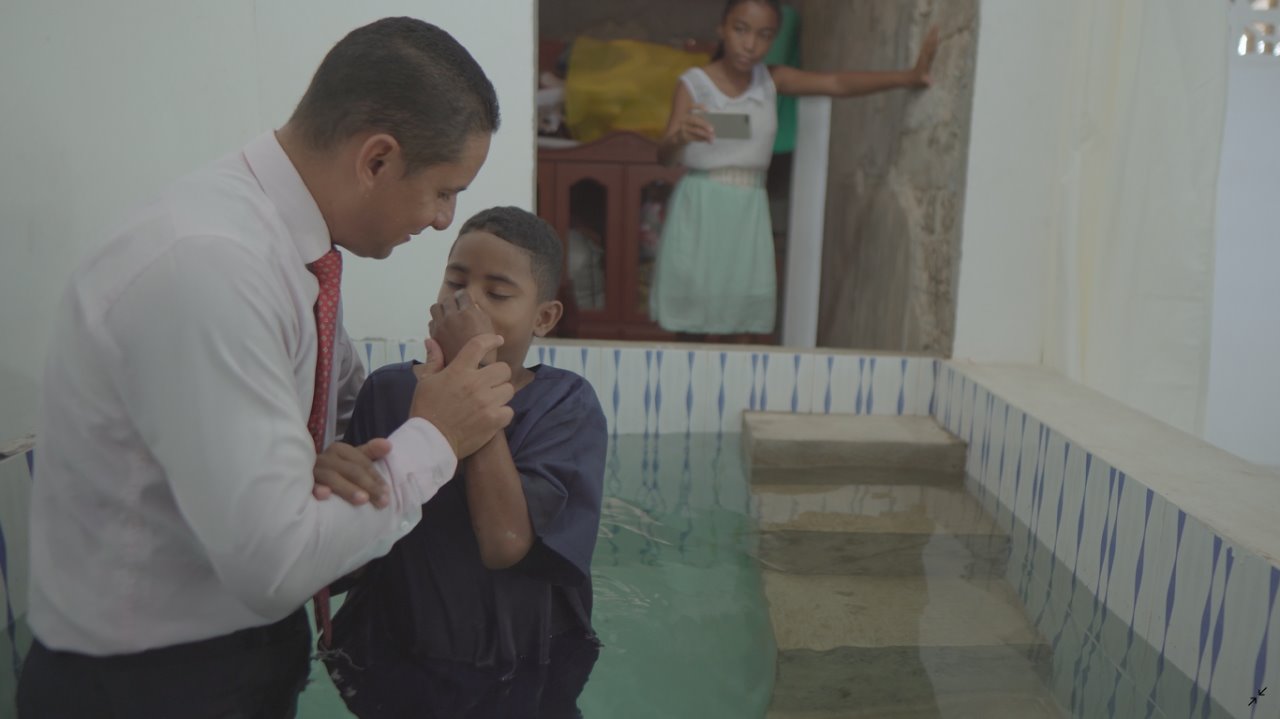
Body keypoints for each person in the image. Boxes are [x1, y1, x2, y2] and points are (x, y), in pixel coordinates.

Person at [17, 17, 514, 719]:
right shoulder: (212, 266)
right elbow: (274, 565)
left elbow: (305, 461)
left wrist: (315, 465)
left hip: (228, 659)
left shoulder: (292, 253)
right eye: (444, 190)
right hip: (147, 686)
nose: (443, 219)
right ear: (377, 160)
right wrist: (435, 437)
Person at [320, 207, 608, 719]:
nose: (468, 304)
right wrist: (330, 483)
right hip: (398, 659)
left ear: (543, 318)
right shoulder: (388, 391)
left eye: (497, 294)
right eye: (456, 283)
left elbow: (506, 543)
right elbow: (351, 550)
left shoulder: (566, 405)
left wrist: (470, 380)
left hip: (520, 670)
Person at [649, 0, 940, 343]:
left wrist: (908, 76)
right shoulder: (694, 84)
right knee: (693, 322)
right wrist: (679, 136)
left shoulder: (771, 80)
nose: (750, 44)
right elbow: (664, 157)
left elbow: (836, 83)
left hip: (748, 209)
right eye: (740, 29)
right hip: (701, 207)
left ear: (773, 40)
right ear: (722, 29)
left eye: (764, 35)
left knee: (742, 322)